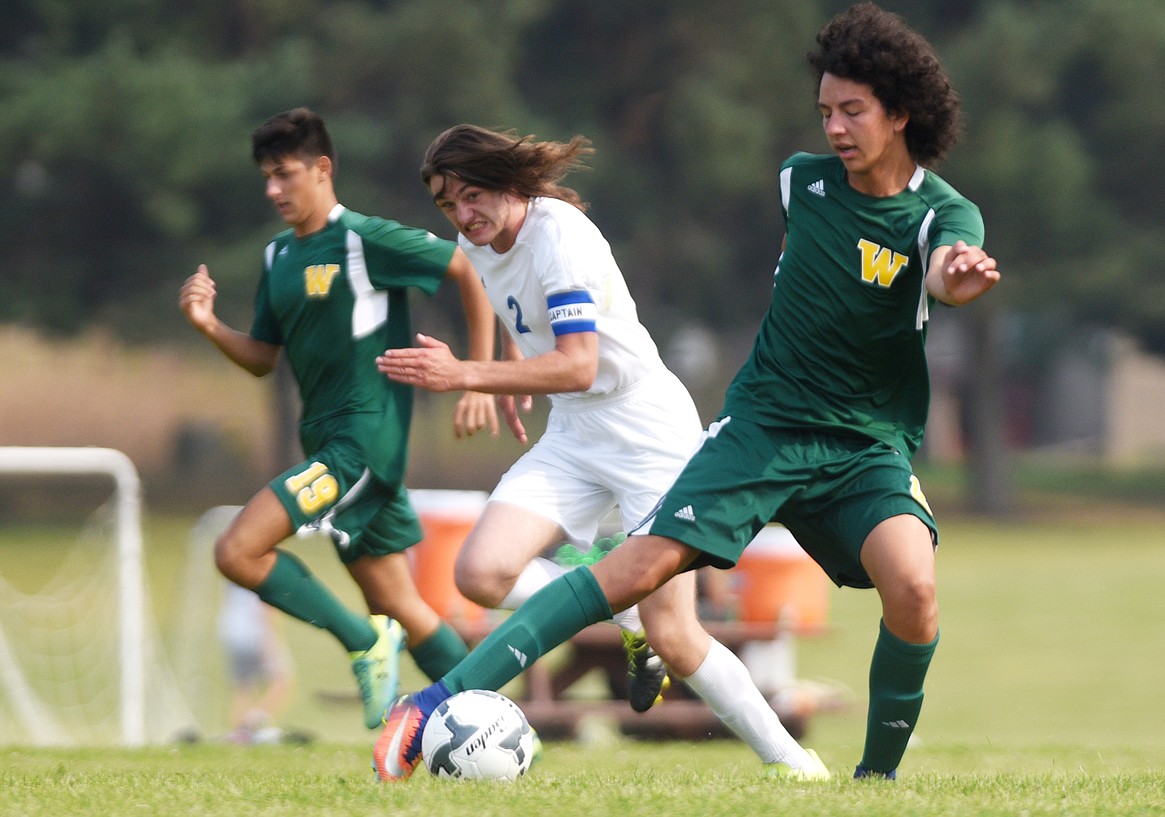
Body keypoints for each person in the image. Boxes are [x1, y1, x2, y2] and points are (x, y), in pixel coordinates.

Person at [373, 1, 1001, 781]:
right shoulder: (801, 183)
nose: (834, 128)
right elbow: (517, 291)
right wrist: (502, 355)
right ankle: (436, 702)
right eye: (826, 111)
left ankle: (873, 783)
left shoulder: (941, 213)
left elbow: (947, 262)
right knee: (629, 574)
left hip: (864, 440)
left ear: (901, 112)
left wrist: (957, 276)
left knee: (912, 588)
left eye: (853, 111)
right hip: (764, 425)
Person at [374, 123, 827, 779]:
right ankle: (620, 610)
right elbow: (507, 307)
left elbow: (580, 363)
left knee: (675, 632)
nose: (462, 215)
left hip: (647, 432)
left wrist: (470, 373)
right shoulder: (477, 244)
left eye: (473, 196)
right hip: (573, 432)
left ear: (508, 183)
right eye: (449, 205)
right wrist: (506, 366)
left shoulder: (557, 233)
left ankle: (792, 764)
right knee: (479, 573)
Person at [179, 107, 498, 730]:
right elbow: (263, 360)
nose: (273, 190)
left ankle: (362, 641)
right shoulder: (277, 260)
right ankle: (499, 723)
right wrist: (209, 326)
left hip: (361, 446)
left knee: (237, 550)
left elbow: (464, 268)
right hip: (328, 442)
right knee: (400, 602)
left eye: (284, 174)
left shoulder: (362, 239)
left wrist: (476, 375)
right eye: (266, 178)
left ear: (322, 169)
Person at [218, 582, 294, 744]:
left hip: (231, 632)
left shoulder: (230, 568)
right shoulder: (257, 567)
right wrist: (271, 637)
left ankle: (238, 735)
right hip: (257, 632)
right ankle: (251, 729)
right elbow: (264, 604)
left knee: (244, 687)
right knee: (281, 681)